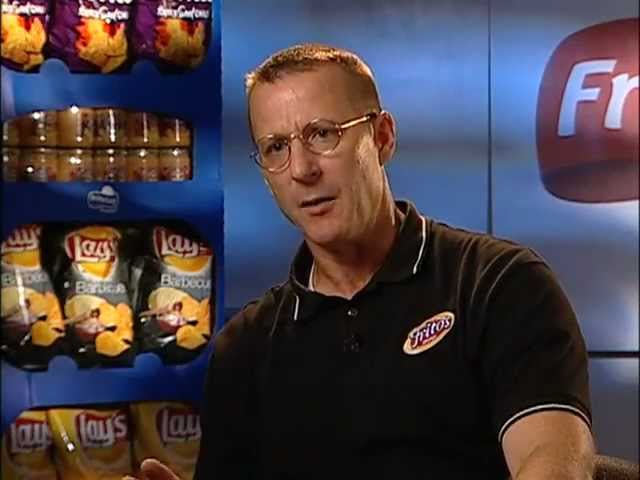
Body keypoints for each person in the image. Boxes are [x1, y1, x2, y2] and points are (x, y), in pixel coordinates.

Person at [128, 43, 595, 480]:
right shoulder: (245, 348)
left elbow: (553, 461)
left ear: (382, 138)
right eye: (276, 148)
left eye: (322, 134)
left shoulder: (499, 285)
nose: (302, 169)